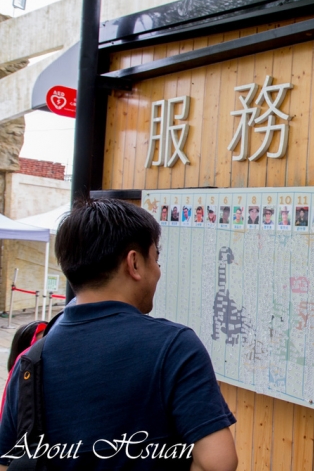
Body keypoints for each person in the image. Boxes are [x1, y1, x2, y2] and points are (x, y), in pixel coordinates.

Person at [0, 199, 238, 471]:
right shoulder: (174, 347)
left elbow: (7, 462)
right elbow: (218, 463)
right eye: (156, 259)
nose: (158, 271)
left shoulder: (31, 361)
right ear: (134, 263)